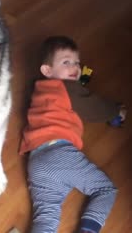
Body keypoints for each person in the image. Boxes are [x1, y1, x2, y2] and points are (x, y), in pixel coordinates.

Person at [16, 36, 125, 233]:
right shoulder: (67, 88)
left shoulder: (39, 87)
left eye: (77, 62)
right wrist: (116, 111)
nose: (75, 67)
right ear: (47, 70)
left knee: (46, 217)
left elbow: (74, 93)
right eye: (66, 62)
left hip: (37, 161)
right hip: (59, 152)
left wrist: (79, 82)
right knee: (106, 190)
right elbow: (94, 107)